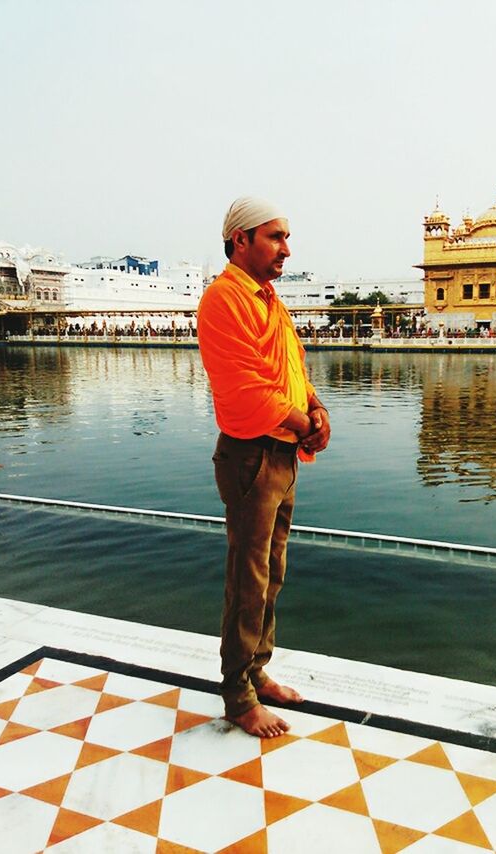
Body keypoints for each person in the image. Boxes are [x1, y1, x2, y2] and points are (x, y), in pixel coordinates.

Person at [197, 196, 331, 738]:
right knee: (247, 579)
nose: (286, 248)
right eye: (275, 237)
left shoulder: (268, 300)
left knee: (272, 573)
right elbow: (247, 388)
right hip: (251, 455)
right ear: (240, 241)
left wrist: (317, 409)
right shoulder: (224, 300)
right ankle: (238, 696)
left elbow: (290, 370)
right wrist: (305, 423)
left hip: (280, 453)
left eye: (286, 237)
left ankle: (257, 671)